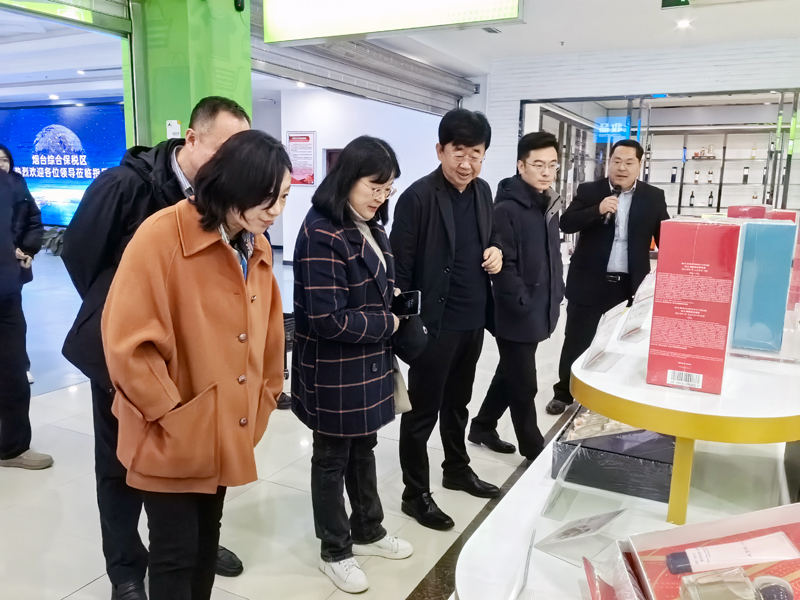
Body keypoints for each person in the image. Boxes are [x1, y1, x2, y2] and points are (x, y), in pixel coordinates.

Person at [61, 96, 250, 600]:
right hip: (123, 357)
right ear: (192, 137)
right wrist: (119, 318)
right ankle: (125, 567)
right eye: (223, 151)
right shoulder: (128, 186)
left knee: (191, 454)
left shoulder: (220, 202)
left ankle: (187, 543)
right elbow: (79, 255)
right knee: (121, 463)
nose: (232, 166)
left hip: (191, 361)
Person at [101, 129, 290, 600]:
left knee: (207, 544)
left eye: (285, 197)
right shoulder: (162, 235)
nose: (276, 210)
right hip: (170, 432)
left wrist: (264, 398)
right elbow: (126, 343)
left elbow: (269, 333)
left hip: (225, 425)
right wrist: (172, 414)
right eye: (266, 197)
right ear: (230, 185)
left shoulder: (255, 244)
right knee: (174, 554)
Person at [292, 136, 413, 594]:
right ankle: (335, 550)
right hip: (334, 369)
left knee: (364, 449)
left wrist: (393, 300)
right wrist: (389, 321)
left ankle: (368, 529)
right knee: (330, 458)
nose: (380, 197)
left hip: (367, 363)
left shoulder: (369, 224)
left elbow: (375, 283)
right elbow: (328, 318)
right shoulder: (321, 231)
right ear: (347, 179)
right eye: (374, 187)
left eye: (387, 189)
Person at [391, 109, 503, 532]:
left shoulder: (483, 191)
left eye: (476, 154)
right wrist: (408, 325)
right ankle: (415, 494)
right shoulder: (417, 197)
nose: (466, 164)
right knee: (421, 413)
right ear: (440, 150)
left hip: (472, 320)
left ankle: (456, 468)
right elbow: (400, 269)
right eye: (459, 152)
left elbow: (491, 235)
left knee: (458, 404)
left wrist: (497, 250)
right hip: (433, 326)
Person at [547, 139, 669, 415]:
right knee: (577, 340)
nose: (622, 167)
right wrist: (597, 210)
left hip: (628, 285)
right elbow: (566, 223)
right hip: (589, 281)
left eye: (629, 162)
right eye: (617, 161)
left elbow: (666, 238)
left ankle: (610, 393)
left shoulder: (653, 196)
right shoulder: (590, 190)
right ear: (609, 162)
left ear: (639, 165)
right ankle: (564, 392)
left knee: (621, 343)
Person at [468, 132, 564, 461]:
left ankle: (482, 426)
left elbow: (551, 255)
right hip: (515, 310)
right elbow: (502, 265)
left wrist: (557, 291)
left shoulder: (547, 202)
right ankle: (533, 448)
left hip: (541, 306)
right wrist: (521, 301)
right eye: (538, 164)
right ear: (521, 166)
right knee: (524, 384)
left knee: (510, 372)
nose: (546, 171)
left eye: (552, 164)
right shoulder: (506, 208)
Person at [0, 167, 49, 470]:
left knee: (13, 370)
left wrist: (25, 248)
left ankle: (12, 446)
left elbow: (29, 219)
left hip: (6, 294)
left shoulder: (10, 183)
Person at [0, 144, 42, 385]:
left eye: (4, 160)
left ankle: (20, 367)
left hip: (13, 269)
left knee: (14, 321)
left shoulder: (19, 184)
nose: (1, 164)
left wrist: (27, 249)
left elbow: (33, 221)